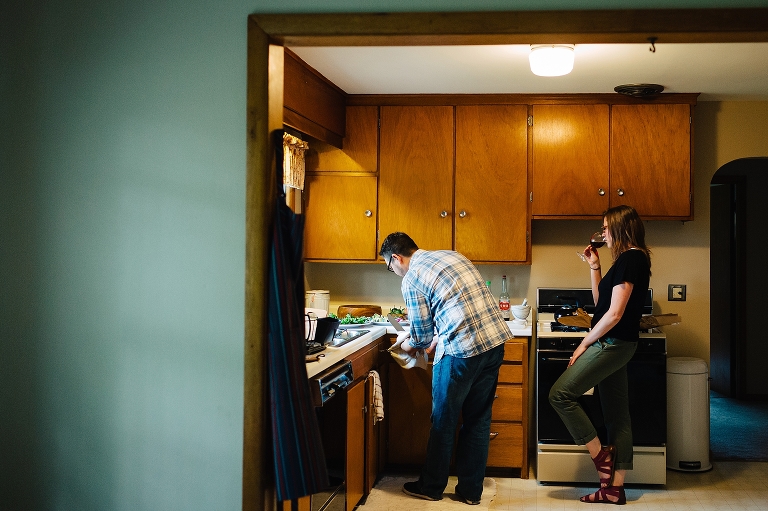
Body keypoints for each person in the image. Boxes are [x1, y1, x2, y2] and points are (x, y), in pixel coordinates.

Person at [379, 232, 511, 505]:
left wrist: (405, 345)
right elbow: (458, 308)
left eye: (390, 267)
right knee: (478, 421)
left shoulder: (412, 278)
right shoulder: (453, 255)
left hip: (461, 352)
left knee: (444, 421)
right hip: (494, 344)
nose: (394, 272)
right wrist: (433, 337)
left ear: (396, 258)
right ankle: (471, 493)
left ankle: (431, 486)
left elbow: (422, 336)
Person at [548, 205, 652, 505]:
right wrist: (594, 268)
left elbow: (616, 315)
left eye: (606, 228)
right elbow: (602, 304)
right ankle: (613, 491)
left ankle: (601, 456)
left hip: (613, 343)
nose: (602, 233)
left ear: (620, 228)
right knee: (617, 416)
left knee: (560, 395)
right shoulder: (624, 261)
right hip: (614, 342)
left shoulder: (632, 258)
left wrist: (583, 344)